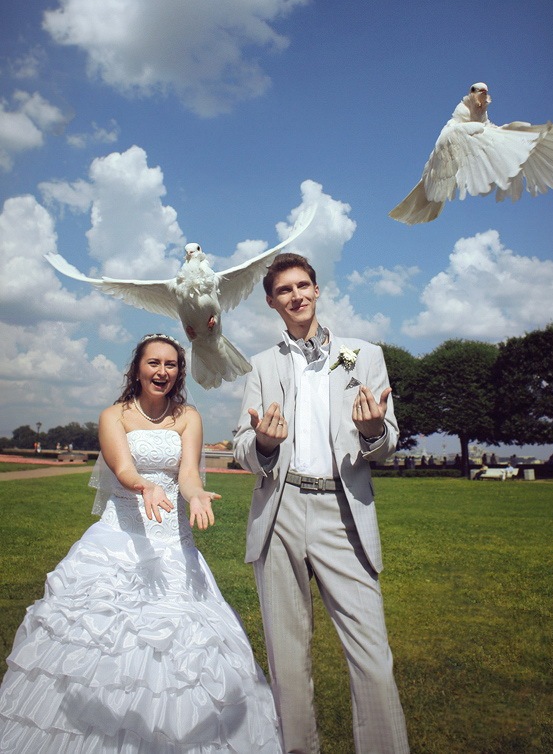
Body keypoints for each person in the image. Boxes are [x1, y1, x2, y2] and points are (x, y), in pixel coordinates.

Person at [0, 333, 282, 753]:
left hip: (174, 545)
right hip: (118, 540)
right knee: (98, 642)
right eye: (153, 363)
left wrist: (195, 494)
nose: (162, 371)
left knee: (186, 647)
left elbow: (188, 473)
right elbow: (123, 468)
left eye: (171, 364)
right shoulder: (113, 416)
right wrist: (145, 486)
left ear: (179, 372)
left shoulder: (188, 417)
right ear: (137, 369)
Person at [233, 254, 410, 754]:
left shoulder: (364, 355)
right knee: (287, 663)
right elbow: (243, 445)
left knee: (373, 658)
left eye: (303, 285)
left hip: (343, 511)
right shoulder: (261, 365)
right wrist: (263, 444)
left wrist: (372, 430)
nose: (296, 295)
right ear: (272, 302)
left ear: (316, 290)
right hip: (280, 511)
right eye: (284, 290)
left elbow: (387, 440)